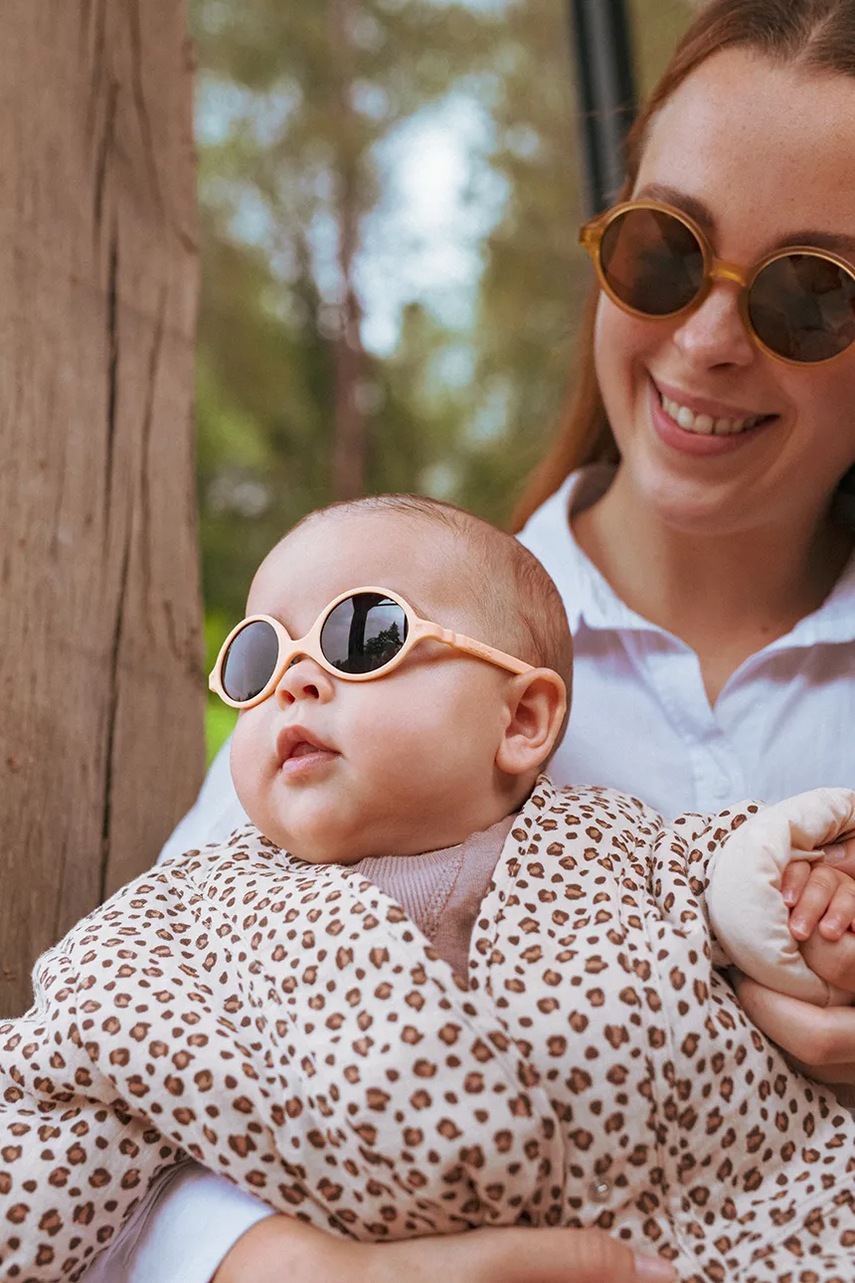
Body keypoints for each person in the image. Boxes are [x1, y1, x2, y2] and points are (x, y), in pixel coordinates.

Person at [83, 1, 855, 1279]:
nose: (708, 341)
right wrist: (311, 1270)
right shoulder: (385, 659)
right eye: (665, 252)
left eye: (810, 294)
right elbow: (123, 1070)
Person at [5, 494, 855, 1283]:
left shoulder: (613, 841)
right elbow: (68, 1088)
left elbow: (722, 870)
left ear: (520, 721)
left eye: (361, 635)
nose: (294, 681)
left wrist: (797, 904)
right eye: (259, 659)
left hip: (731, 1231)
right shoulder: (179, 924)